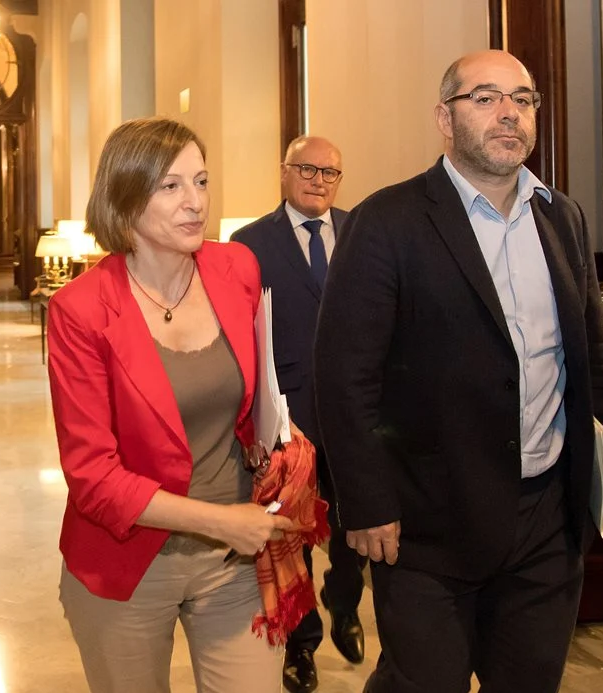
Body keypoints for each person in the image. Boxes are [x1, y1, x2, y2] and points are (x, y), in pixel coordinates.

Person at [313, 50, 603, 693]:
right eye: (485, 98)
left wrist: (596, 469)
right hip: (428, 527)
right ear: (444, 119)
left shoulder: (561, 218)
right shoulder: (387, 221)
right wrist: (366, 503)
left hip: (546, 523)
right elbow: (345, 377)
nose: (509, 113)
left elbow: (591, 360)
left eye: (523, 99)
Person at [47, 117, 296, 693]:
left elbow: (256, 393)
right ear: (125, 197)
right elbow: (93, 478)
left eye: (202, 181)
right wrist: (221, 522)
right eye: (171, 186)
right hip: (128, 560)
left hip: (234, 559)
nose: (195, 203)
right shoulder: (81, 310)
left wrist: (275, 443)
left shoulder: (235, 268)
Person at [231, 135, 367, 693]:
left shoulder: (362, 232)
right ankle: (302, 643)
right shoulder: (249, 243)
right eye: (307, 169)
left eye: (330, 172)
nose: (318, 180)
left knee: (356, 519)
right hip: (288, 412)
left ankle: (346, 600)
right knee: (294, 528)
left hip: (357, 408)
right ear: (284, 173)